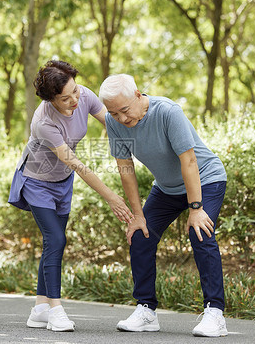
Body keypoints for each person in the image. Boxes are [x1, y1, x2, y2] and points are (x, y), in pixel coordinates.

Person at [98, 73, 229, 337]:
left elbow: (189, 161)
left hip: (205, 179)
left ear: (137, 95)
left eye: (124, 110)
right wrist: (137, 215)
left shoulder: (168, 112)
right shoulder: (115, 124)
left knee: (200, 231)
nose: (121, 119)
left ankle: (215, 313)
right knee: (140, 234)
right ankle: (146, 310)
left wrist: (196, 208)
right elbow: (125, 168)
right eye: (113, 113)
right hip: (167, 188)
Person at [8, 61, 134, 332]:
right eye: (65, 98)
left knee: (53, 243)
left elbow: (112, 123)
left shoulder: (84, 95)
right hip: (37, 181)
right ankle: (55, 309)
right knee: (56, 239)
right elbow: (77, 164)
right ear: (50, 100)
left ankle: (39, 309)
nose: (75, 100)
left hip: (62, 182)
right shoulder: (44, 122)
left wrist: (138, 139)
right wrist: (111, 196)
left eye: (75, 91)